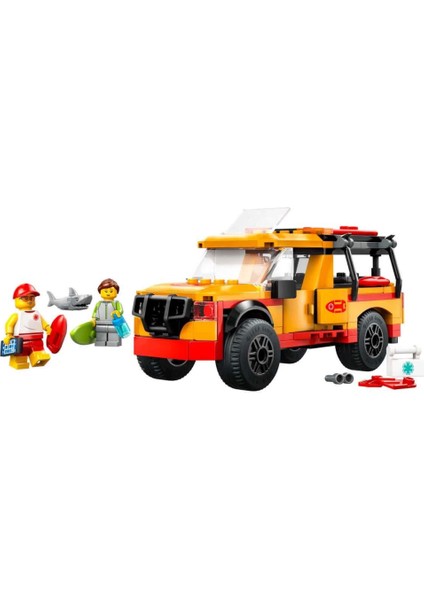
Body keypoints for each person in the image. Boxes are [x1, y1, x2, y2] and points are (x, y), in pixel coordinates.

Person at [3, 283, 52, 369]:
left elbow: (43, 323)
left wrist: (47, 327)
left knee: (39, 354)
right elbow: (9, 324)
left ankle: (37, 358)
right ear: (16, 300)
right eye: (25, 298)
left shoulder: (37, 314)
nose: (29, 301)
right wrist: (9, 334)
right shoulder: (16, 315)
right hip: (21, 341)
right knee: (20, 357)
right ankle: (18, 362)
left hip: (37, 341)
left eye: (32, 298)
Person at [92, 278, 123, 347]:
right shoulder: (98, 303)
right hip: (100, 322)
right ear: (100, 292)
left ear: (116, 292)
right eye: (105, 291)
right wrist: (93, 318)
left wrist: (118, 312)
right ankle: (100, 341)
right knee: (100, 331)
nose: (108, 293)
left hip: (113, 322)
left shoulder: (116, 303)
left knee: (114, 332)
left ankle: (114, 341)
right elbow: (95, 312)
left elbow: (120, 310)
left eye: (111, 291)